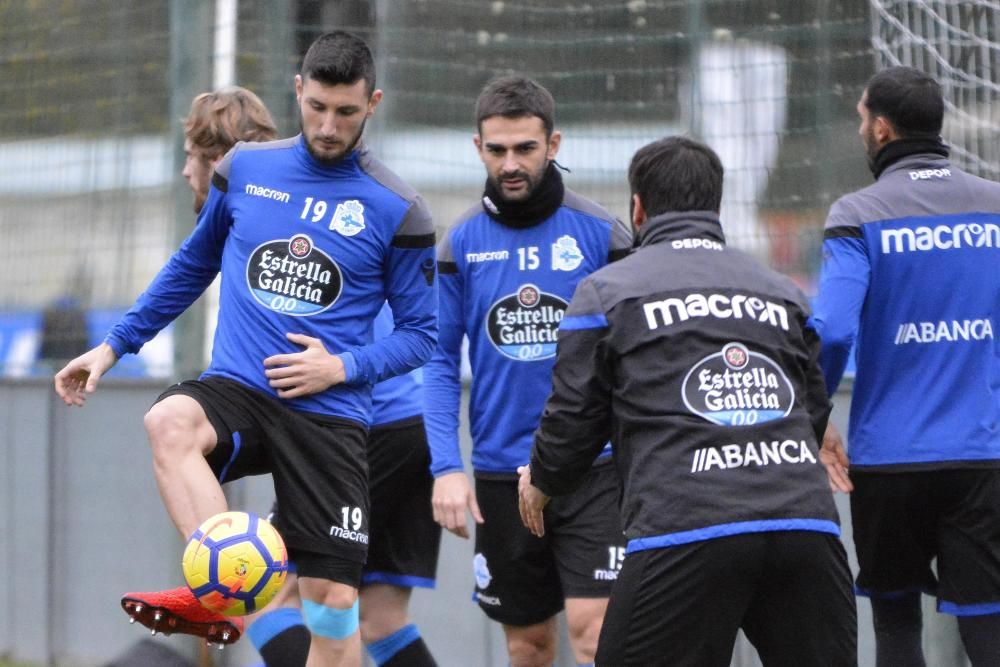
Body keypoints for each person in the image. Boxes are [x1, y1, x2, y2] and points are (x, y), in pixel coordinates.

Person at [53, 30, 437, 666]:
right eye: (316, 107)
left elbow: (421, 335)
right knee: (168, 420)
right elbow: (193, 262)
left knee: (332, 607)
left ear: (373, 102)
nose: (329, 124)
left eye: (346, 111)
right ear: (297, 92)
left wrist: (340, 365)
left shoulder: (398, 208)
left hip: (329, 412)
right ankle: (223, 581)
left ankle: (235, 589)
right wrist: (113, 346)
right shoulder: (247, 169)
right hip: (242, 388)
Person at [518, 136, 857, 666]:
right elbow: (811, 410)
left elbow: (573, 418)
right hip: (805, 530)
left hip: (686, 528)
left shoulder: (607, 293)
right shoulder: (783, 292)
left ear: (638, 208)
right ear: (714, 207)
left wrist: (543, 481)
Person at [423, 75, 632, 667]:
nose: (510, 164)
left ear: (555, 144)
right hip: (499, 471)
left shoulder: (604, 234)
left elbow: (639, 357)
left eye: (525, 149)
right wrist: (445, 466)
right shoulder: (458, 243)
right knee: (529, 646)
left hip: (595, 471)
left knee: (596, 636)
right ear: (477, 147)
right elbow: (438, 361)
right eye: (497, 150)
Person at [812, 66, 1000, 667]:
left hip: (889, 458)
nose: (861, 127)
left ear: (883, 129)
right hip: (982, 452)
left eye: (862, 118)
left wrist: (815, 414)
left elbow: (834, 328)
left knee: (895, 627)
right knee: (988, 626)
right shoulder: (995, 207)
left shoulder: (856, 214)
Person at [258, 304, 442, 667]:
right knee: (380, 617)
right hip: (413, 422)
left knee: (264, 591)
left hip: (367, 430)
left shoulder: (299, 256)